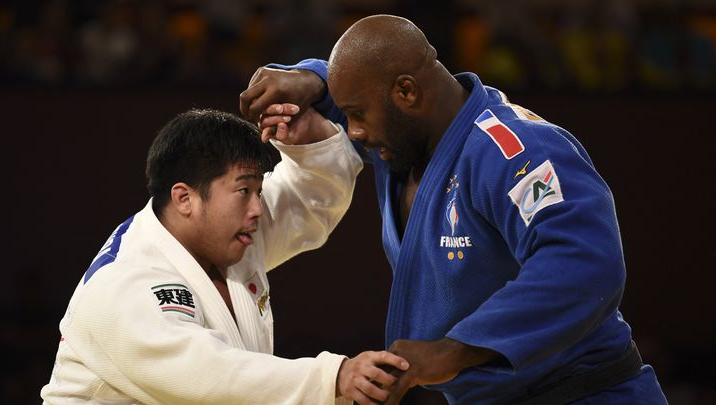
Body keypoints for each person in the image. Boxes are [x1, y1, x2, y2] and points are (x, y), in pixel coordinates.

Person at [239, 14, 668, 405]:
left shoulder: (515, 151)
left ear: (407, 92)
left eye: (356, 115)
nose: (352, 132)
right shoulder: (401, 141)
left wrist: (451, 350)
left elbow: (585, 262)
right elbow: (365, 78)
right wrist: (310, 78)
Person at [40, 107, 409, 405]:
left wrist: (308, 138)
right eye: (244, 190)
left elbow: (306, 201)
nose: (257, 209)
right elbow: (212, 376)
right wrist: (334, 376)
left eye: (258, 190)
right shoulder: (125, 282)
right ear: (185, 198)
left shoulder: (227, 232)